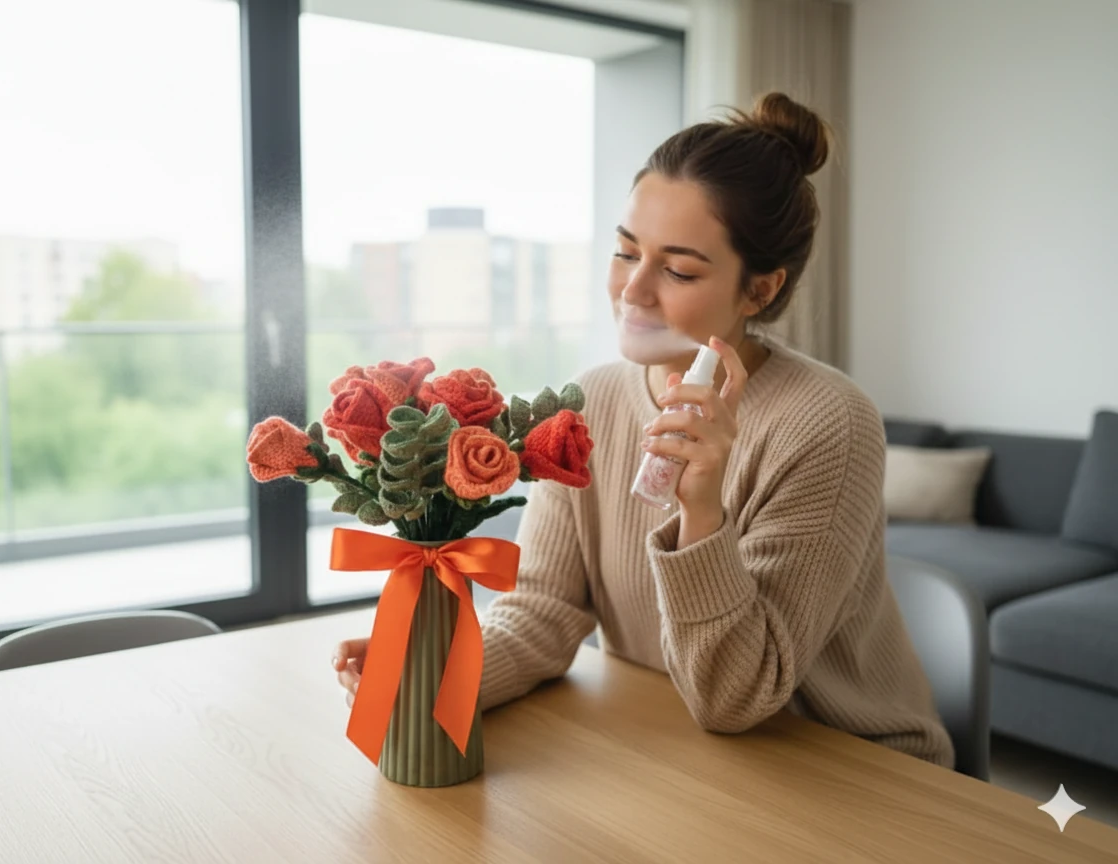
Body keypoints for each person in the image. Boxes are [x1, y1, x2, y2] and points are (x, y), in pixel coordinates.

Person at [334, 92, 956, 769]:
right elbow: (542, 611)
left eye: (680, 269)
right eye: (627, 252)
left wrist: (701, 514)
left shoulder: (829, 423)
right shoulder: (594, 401)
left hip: (848, 768)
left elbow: (737, 700)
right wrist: (433, 681)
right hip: (676, 746)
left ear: (761, 291)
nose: (633, 290)